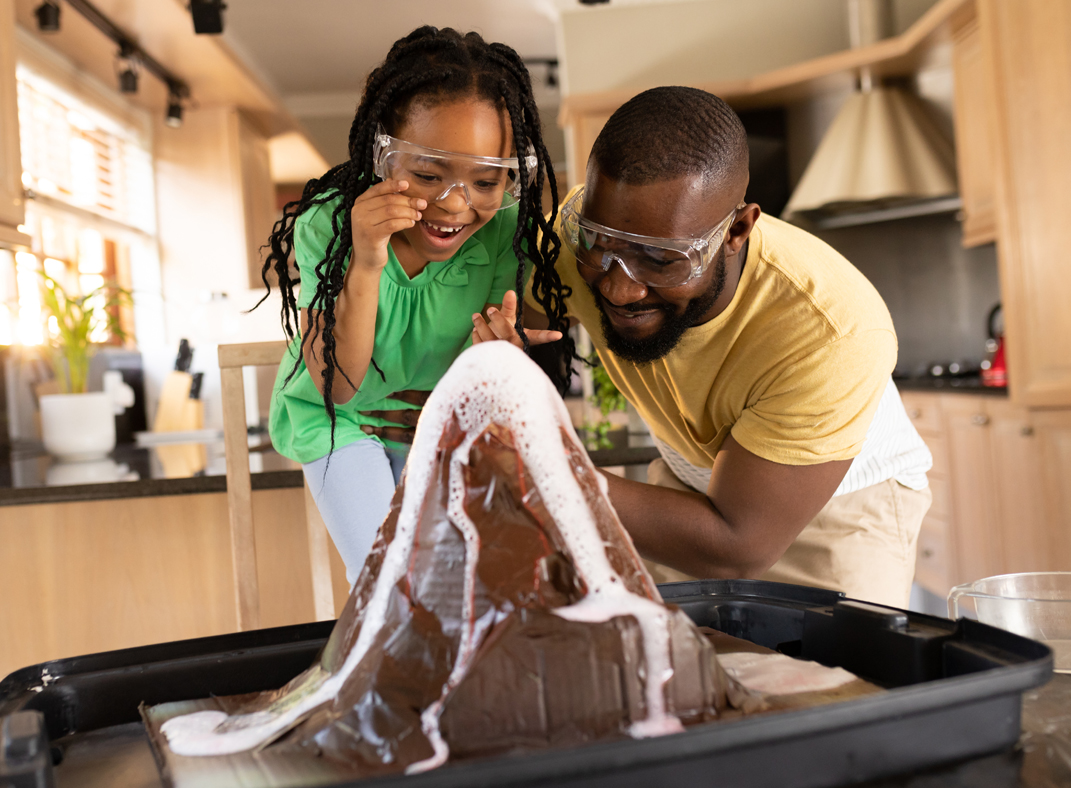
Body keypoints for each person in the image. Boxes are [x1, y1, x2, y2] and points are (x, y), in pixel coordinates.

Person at [478, 85, 932, 607]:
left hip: (833, 510)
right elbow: (508, 327)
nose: (620, 287)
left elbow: (737, 546)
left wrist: (548, 469)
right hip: (685, 477)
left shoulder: (830, 332)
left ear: (736, 230)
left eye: (662, 259)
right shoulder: (577, 242)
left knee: (831, 686)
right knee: (670, 674)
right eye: (600, 244)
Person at [259, 27, 573, 585]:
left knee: (469, 578)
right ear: (383, 154)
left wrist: (502, 359)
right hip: (340, 420)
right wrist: (366, 259)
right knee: (392, 582)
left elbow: (518, 367)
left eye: (486, 180)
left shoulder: (506, 236)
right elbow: (338, 388)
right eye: (427, 175)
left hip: (434, 421)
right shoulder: (332, 225)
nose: (454, 204)